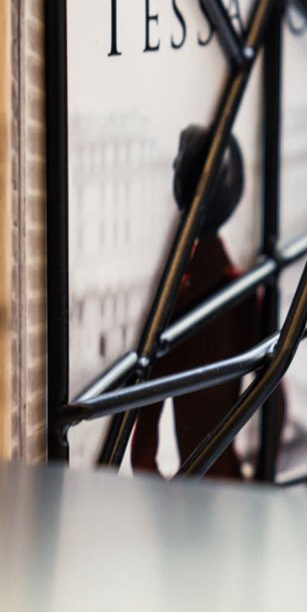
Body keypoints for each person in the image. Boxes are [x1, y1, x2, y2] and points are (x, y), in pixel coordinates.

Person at [129, 125, 268, 480]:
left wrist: (161, 491)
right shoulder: (234, 291)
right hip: (218, 481)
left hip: (198, 484)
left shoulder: (183, 298)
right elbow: (274, 396)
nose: (173, 167)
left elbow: (144, 438)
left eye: (179, 163)